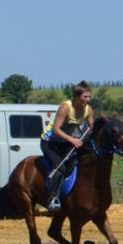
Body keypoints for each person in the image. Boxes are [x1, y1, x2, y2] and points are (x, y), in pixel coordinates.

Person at [41, 80, 94, 212]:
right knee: (60, 168)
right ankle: (52, 199)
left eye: (89, 96)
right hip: (50, 142)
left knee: (75, 163)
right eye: (85, 97)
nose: (87, 100)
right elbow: (56, 130)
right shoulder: (66, 107)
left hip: (66, 142)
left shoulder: (88, 109)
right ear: (76, 97)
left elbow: (91, 127)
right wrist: (73, 139)